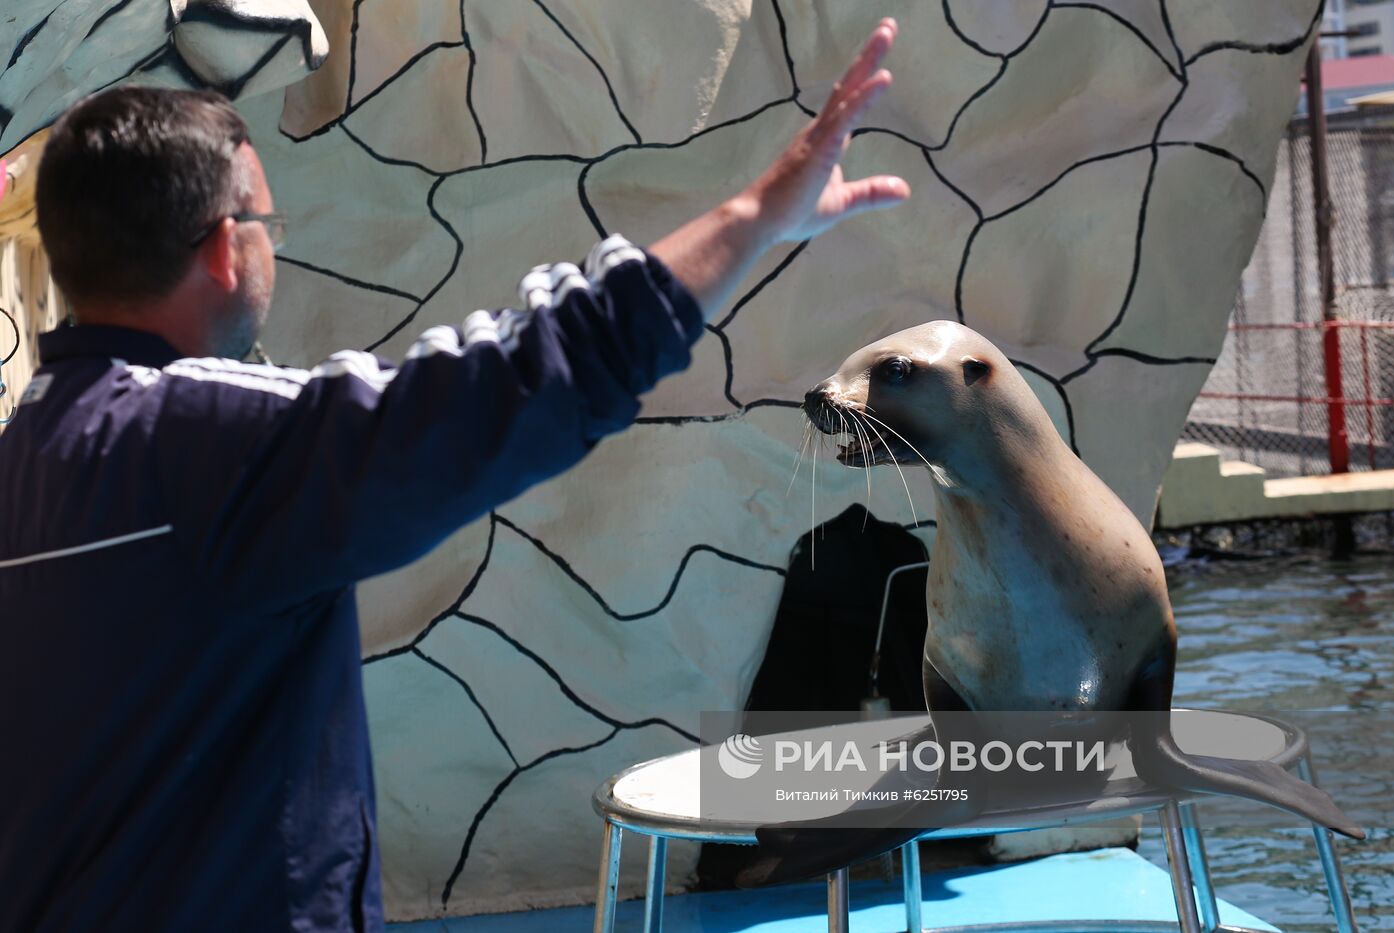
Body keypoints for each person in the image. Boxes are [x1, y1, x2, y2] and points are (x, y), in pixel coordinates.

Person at [0, 20, 908, 933]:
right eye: (268, 224)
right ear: (225, 248)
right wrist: (756, 220)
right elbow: (518, 380)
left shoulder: (22, 460)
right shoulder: (210, 446)